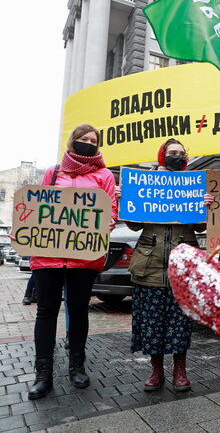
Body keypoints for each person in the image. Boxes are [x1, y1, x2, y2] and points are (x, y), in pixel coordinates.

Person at [27, 124, 118, 400]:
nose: (88, 143)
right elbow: (38, 208)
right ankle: (43, 375)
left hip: (84, 257)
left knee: (78, 311)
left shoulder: (104, 176)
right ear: (73, 141)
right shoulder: (53, 172)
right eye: (83, 139)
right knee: (46, 311)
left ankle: (77, 366)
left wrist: (107, 223)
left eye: (93, 140)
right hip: (49, 257)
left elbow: (110, 211)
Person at [124, 138, 208, 392]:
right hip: (150, 264)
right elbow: (134, 224)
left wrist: (205, 207)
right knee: (152, 322)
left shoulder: (194, 184)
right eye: (172, 153)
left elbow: (202, 227)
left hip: (183, 264)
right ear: (162, 156)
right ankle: (156, 369)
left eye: (182, 153)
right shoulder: (144, 183)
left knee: (180, 322)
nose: (177, 157)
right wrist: (126, 199)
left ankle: (180, 370)